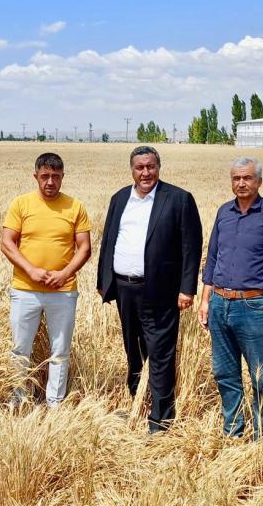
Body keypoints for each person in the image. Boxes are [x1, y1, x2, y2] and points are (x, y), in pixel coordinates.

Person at [97, 145, 202, 433]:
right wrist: (103, 281)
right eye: (140, 167)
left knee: (160, 353)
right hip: (124, 289)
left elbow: (191, 247)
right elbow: (108, 240)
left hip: (160, 291)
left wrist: (187, 289)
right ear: (132, 170)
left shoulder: (179, 199)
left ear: (159, 167)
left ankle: (161, 418)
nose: (146, 172)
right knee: (132, 350)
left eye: (150, 166)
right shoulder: (120, 198)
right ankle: (137, 405)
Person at [198, 157, 263, 438]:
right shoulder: (223, 213)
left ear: (259, 181)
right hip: (219, 303)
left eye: (247, 178)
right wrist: (205, 301)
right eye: (236, 178)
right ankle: (233, 430)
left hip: (254, 306)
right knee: (225, 373)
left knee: (261, 376)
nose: (241, 183)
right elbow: (212, 259)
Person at [1, 153, 91, 407]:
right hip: (25, 289)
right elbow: (7, 243)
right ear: (36, 176)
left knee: (60, 350)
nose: (50, 182)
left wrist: (64, 274)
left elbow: (84, 248)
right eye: (45, 176)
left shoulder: (75, 207)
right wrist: (30, 270)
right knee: (20, 348)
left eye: (55, 176)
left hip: (63, 291)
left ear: (63, 177)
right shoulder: (21, 204)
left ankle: (55, 401)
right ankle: (18, 398)